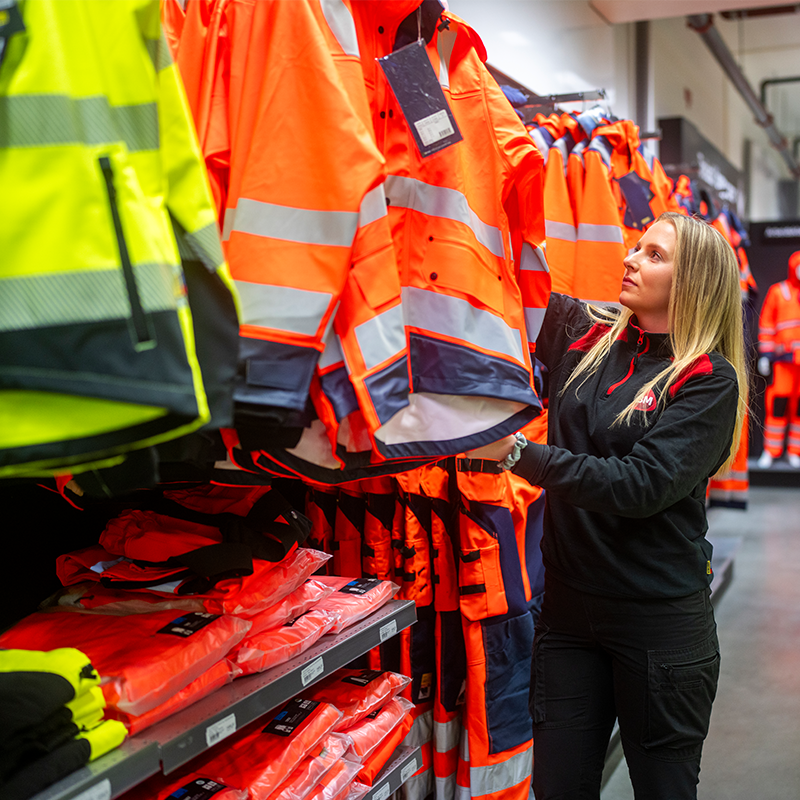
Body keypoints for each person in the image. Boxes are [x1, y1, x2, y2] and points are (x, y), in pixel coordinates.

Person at [467, 211, 748, 799]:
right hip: (569, 617)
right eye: (636, 247)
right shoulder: (587, 333)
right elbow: (498, 279)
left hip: (658, 626)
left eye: (654, 255)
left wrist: (519, 454)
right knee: (559, 788)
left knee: (663, 789)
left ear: (692, 281)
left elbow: (638, 486)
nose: (629, 258)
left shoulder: (707, 379)